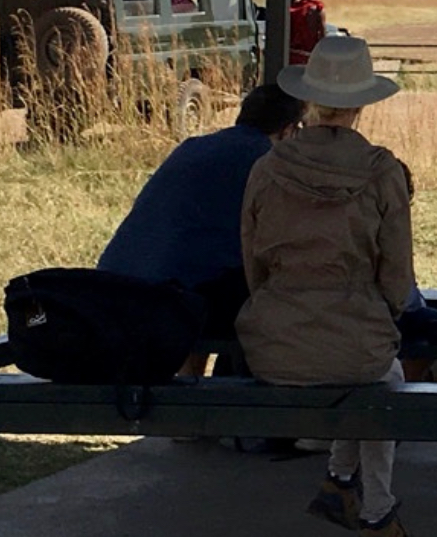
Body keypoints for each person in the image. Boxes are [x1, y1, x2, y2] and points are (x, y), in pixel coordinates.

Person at [239, 33, 418, 537]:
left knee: (366, 373)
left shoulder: (268, 168)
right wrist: (377, 315)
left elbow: (254, 264)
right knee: (382, 381)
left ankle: (340, 482)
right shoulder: (383, 171)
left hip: (275, 343)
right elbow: (397, 277)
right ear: (364, 103)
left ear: (310, 99)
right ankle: (377, 513)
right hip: (357, 340)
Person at [97, 81, 304, 366]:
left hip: (115, 285)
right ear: (288, 130)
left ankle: (192, 382)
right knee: (266, 301)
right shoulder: (267, 161)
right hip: (172, 299)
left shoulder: (193, 147)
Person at [287, 0, 327, 66]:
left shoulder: (293, 9)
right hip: (310, 51)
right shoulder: (318, 9)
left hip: (293, 52)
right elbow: (322, 33)